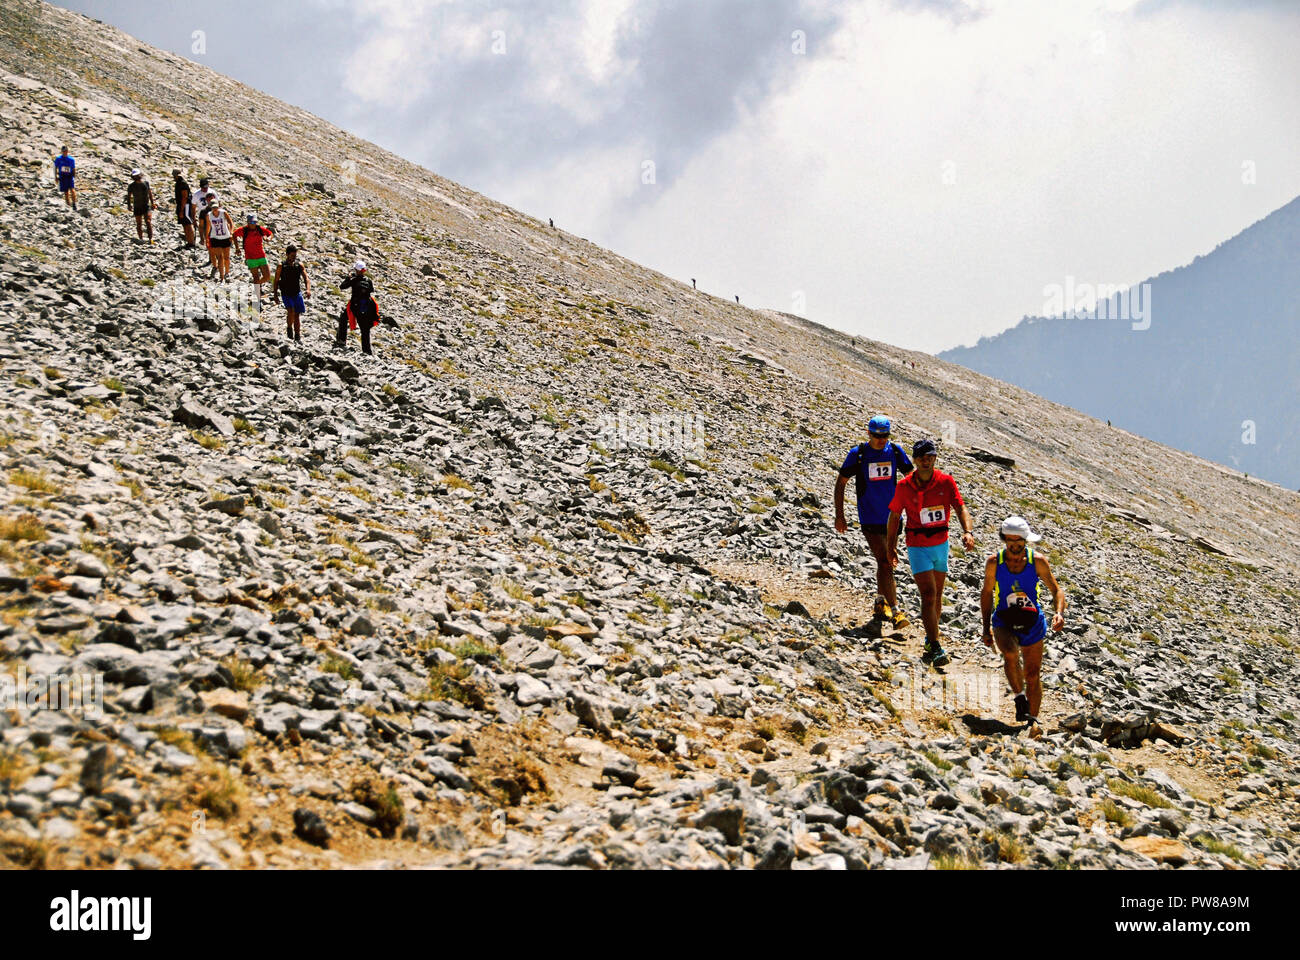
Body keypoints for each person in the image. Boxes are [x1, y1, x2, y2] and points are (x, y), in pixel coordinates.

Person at [885, 438, 975, 666]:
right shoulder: (904, 486)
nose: (926, 462)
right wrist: (891, 546)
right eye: (922, 458)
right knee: (928, 593)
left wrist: (968, 531)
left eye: (930, 457)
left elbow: (960, 506)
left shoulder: (945, 482)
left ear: (935, 458)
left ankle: (929, 637)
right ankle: (935, 646)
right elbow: (894, 515)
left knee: (936, 596)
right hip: (917, 544)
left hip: (941, 544)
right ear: (914, 460)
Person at [980, 516, 1066, 725]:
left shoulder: (1037, 561)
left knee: (1033, 673)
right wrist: (985, 628)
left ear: (1026, 541)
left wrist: (1059, 613)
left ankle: (1032, 721)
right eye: (1011, 543)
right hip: (1003, 619)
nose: (1015, 547)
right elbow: (987, 593)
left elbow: (1056, 590)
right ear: (1004, 540)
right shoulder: (994, 563)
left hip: (1032, 621)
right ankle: (1019, 698)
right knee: (1009, 653)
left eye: (1019, 543)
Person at [834, 415, 914, 630]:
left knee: (885, 564)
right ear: (869, 433)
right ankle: (896, 612)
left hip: (893, 517)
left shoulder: (895, 451)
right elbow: (841, 482)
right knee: (886, 561)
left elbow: (912, 478)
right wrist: (839, 515)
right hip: (869, 516)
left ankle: (880, 603)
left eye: (885, 435)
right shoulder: (858, 454)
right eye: (877, 436)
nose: (881, 440)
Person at [337, 261, 378, 354]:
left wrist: (348, 278)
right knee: (365, 329)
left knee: (343, 318)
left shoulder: (354, 280)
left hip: (354, 306)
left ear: (357, 270)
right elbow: (371, 290)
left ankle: (341, 340)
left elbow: (342, 286)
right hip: (365, 307)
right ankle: (367, 351)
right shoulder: (368, 280)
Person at [272, 244, 311, 341]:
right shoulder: (281, 266)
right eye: (292, 256)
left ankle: (297, 335)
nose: (294, 258)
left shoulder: (299, 265)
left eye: (295, 256)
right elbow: (276, 281)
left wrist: (308, 289)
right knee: (290, 311)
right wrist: (275, 295)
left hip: (296, 293)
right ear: (287, 255)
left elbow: (306, 278)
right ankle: (289, 329)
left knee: (297, 314)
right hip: (286, 293)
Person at [233, 215, 274, 305]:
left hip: (261, 256)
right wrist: (237, 248)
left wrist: (268, 238)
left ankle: (257, 287)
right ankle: (258, 294)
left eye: (255, 222)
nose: (254, 224)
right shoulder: (244, 230)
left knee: (267, 276)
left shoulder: (259, 229)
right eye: (252, 222)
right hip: (250, 257)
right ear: (248, 222)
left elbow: (270, 233)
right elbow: (234, 235)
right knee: (255, 276)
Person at [204, 200, 236, 281]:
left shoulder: (223, 213)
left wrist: (231, 232)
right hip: (215, 238)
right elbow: (208, 227)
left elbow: (230, 222)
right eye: (213, 208)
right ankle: (221, 276)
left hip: (225, 237)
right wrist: (207, 238)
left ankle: (227, 273)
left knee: (226, 257)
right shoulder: (209, 215)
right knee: (220, 257)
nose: (215, 209)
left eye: (216, 207)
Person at [125, 169, 156, 243]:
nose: (136, 177)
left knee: (148, 222)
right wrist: (129, 205)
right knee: (139, 224)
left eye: (137, 175)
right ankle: (141, 239)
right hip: (137, 206)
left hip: (146, 206)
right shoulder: (131, 186)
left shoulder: (146, 183)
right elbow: (129, 196)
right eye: (135, 176)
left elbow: (150, 193)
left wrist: (152, 203)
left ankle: (150, 239)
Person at [173, 169, 194, 248]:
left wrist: (182, 210)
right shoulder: (179, 183)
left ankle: (191, 242)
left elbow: (185, 197)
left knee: (188, 223)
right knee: (184, 224)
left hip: (185, 206)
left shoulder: (182, 184)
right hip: (181, 205)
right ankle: (189, 242)